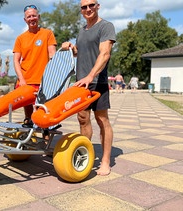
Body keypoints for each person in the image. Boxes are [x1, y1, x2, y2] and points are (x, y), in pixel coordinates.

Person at [61, 0, 116, 176]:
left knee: (102, 120)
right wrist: (70, 48)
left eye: (91, 5)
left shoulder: (106, 26)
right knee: (83, 119)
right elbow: (80, 53)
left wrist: (91, 76)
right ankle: (85, 154)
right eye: (84, 7)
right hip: (81, 83)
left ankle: (106, 161)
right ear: (81, 10)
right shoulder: (82, 31)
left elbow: (105, 53)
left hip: (97, 82)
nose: (88, 9)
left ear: (98, 6)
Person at [13, 4, 57, 122]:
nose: (31, 18)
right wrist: (21, 79)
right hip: (25, 81)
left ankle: (46, 137)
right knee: (28, 116)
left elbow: (52, 55)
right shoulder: (20, 38)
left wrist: (54, 76)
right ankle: (29, 135)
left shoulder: (47, 34)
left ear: (38, 17)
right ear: (25, 20)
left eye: (34, 16)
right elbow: (16, 60)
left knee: (42, 114)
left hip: (43, 80)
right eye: (29, 17)